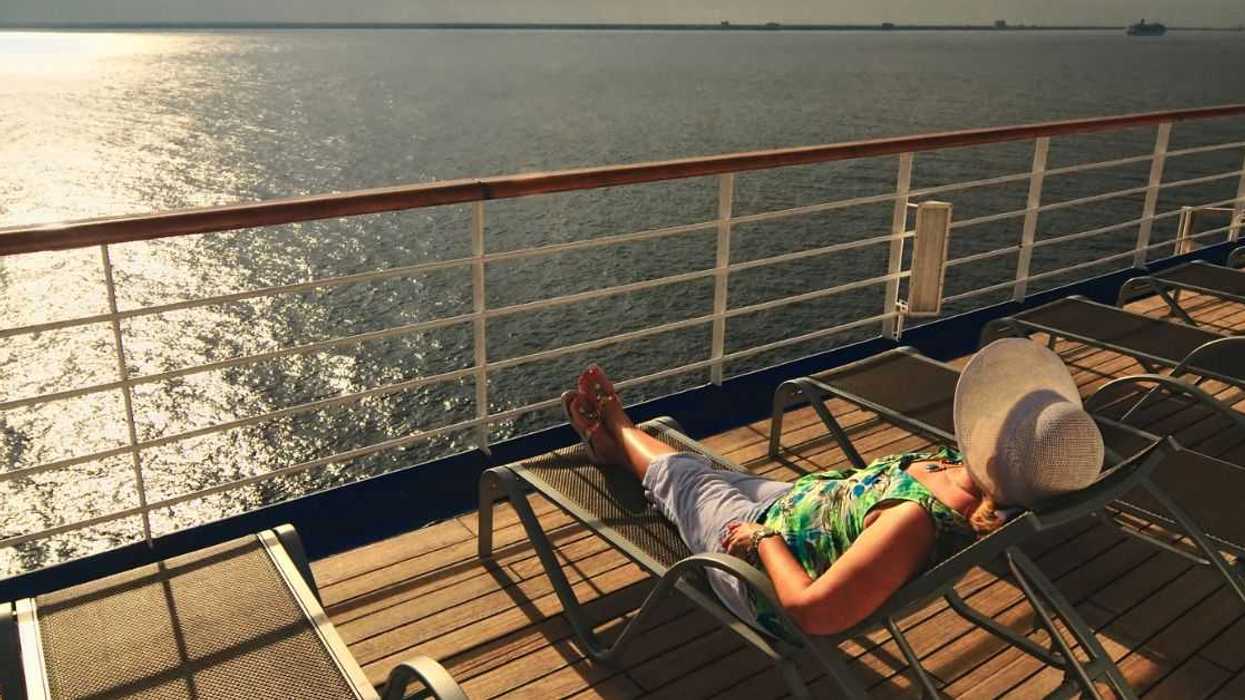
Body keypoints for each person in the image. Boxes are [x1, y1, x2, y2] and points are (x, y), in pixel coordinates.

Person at [561, 338, 1105, 638]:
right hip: (790, 505)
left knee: (682, 477)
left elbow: (814, 612)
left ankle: (622, 430)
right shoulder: (960, 474)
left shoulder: (913, 522)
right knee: (696, 472)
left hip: (760, 569)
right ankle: (623, 447)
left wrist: (761, 542)